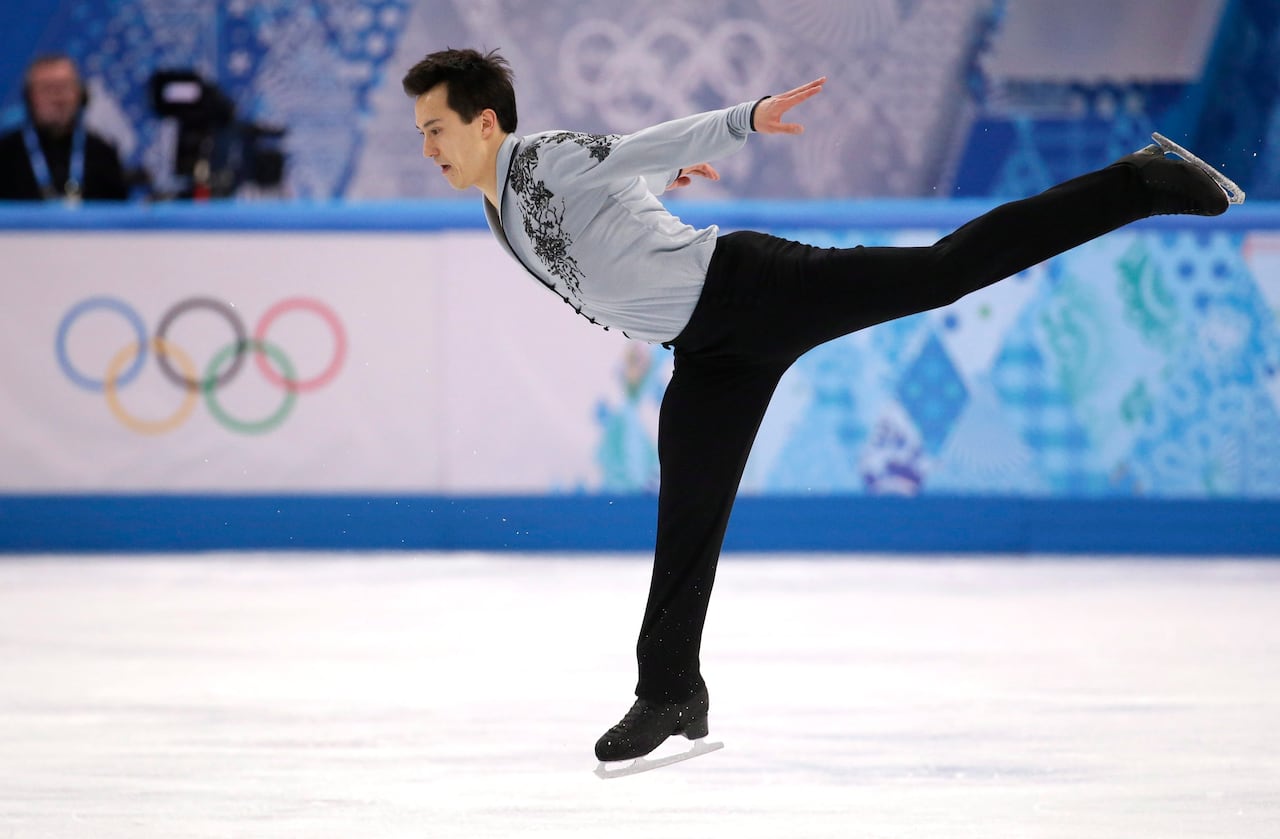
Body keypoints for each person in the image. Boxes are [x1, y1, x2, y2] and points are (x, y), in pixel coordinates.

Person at [400, 48, 1234, 766]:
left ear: (485, 123)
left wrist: (744, 120)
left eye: (435, 129)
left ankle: (1139, 182)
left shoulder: (540, 161)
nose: (427, 147)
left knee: (942, 271)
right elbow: (621, 184)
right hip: (707, 353)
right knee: (687, 511)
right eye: (421, 132)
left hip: (753, 288)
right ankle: (671, 690)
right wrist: (658, 178)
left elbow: (634, 147)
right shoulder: (497, 205)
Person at [0, 54, 129, 201]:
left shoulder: (102, 153)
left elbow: (118, 210)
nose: (58, 98)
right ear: (29, 97)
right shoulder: (5, 154)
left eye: (65, 88)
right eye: (47, 89)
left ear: (81, 95)